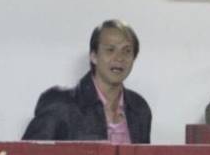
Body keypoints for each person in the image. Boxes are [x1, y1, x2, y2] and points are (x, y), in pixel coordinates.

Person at [22, 19, 151, 143]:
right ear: (93, 56)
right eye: (110, 50)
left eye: (127, 51)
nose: (119, 58)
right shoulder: (60, 104)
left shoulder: (139, 108)